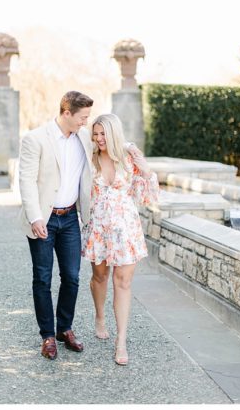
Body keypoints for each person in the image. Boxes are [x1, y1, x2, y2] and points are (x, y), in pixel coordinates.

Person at [17, 91, 94, 360]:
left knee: (72, 277)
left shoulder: (84, 137)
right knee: (42, 277)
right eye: (82, 117)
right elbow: (26, 180)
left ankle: (65, 329)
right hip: (44, 218)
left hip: (72, 217)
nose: (86, 122)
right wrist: (35, 217)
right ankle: (47, 335)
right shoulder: (35, 139)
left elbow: (111, 139)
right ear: (66, 113)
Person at [81, 113, 158, 366]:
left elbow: (146, 197)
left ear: (114, 133)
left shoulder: (128, 159)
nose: (98, 138)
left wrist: (145, 170)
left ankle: (121, 341)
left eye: (103, 134)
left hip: (126, 229)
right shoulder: (91, 159)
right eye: (96, 134)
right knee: (100, 277)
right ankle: (100, 316)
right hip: (100, 229)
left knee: (123, 282)